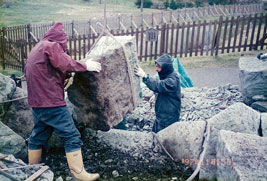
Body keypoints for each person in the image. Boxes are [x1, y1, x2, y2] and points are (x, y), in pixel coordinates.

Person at [25, 22, 101, 181]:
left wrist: (67, 76)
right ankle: (78, 173)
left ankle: (32, 168)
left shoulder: (38, 47)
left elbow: (49, 71)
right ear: (60, 40)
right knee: (71, 135)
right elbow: (64, 63)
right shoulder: (51, 46)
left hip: (37, 103)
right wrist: (86, 65)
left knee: (39, 135)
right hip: (51, 103)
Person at [134, 54, 181, 133]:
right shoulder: (167, 76)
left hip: (169, 118)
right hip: (162, 116)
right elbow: (162, 89)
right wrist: (156, 95)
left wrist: (145, 77)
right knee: (155, 135)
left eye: (159, 67)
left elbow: (159, 85)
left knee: (164, 139)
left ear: (165, 67)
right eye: (156, 66)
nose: (156, 69)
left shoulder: (173, 80)